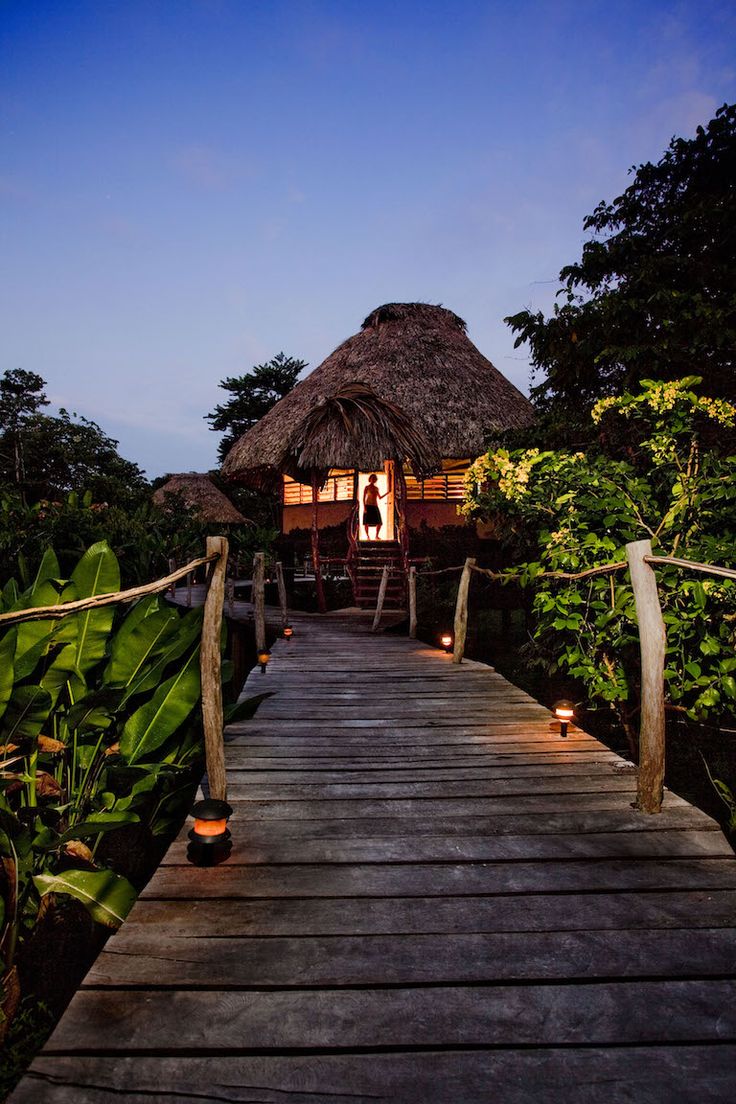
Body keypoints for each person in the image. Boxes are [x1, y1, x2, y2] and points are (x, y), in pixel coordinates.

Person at [362, 473, 387, 540]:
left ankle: (376, 536)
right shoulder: (367, 487)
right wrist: (364, 507)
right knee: (366, 522)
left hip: (375, 506)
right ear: (370, 479)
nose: (373, 480)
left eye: (374, 479)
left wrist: (388, 493)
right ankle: (367, 536)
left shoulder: (376, 488)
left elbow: (380, 497)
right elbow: (363, 498)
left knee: (379, 522)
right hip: (368, 505)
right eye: (372, 478)